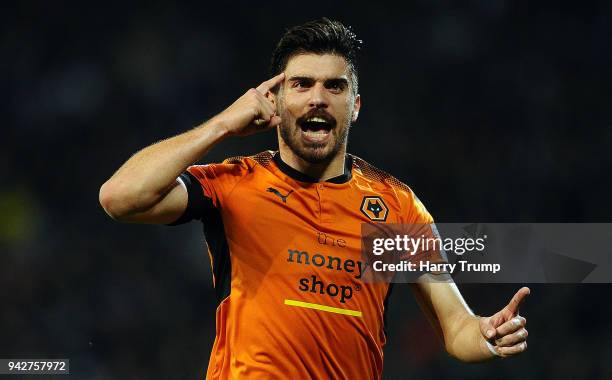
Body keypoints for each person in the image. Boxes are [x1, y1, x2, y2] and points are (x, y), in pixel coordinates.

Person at [99, 18, 529, 380]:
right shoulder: (235, 184)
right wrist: (223, 126)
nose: (318, 97)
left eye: (334, 86)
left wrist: (486, 336)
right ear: (276, 101)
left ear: (355, 106)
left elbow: (456, 328)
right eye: (302, 84)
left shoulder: (396, 204)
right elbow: (120, 197)